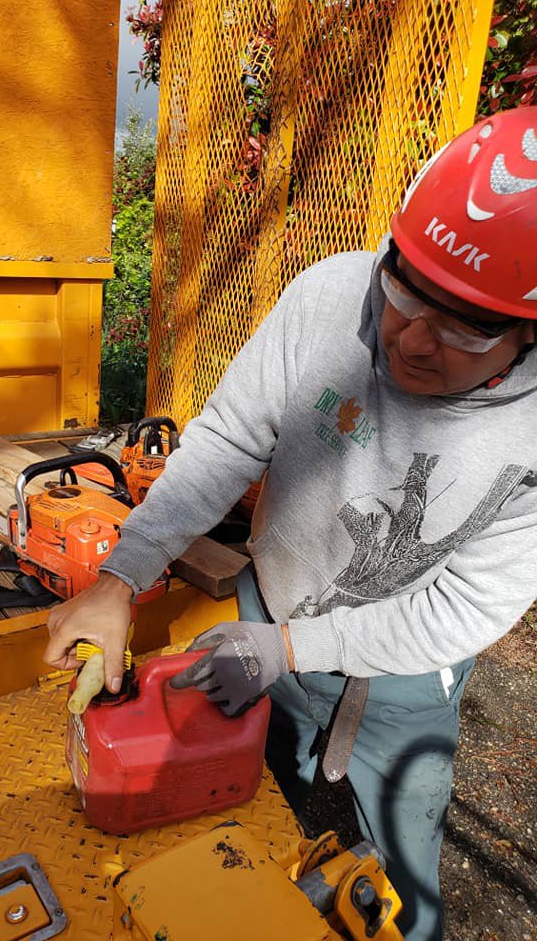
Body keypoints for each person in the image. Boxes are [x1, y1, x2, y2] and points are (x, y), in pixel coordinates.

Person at [44, 107, 537, 940]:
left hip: (404, 679)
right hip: (260, 614)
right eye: (403, 291)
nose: (413, 339)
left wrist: (295, 651)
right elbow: (230, 440)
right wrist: (121, 578)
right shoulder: (330, 298)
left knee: (399, 885)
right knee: (242, 827)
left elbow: (466, 610)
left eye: (464, 325)